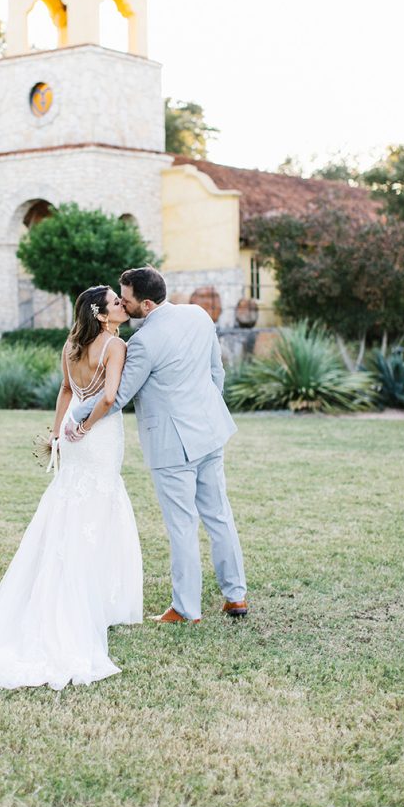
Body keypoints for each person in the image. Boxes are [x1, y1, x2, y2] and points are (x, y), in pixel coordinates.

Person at [0, 286, 142, 691]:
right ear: (102, 315)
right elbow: (109, 398)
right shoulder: (115, 346)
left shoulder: (71, 346)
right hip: (97, 436)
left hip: (72, 434)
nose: (123, 305)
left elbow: (66, 390)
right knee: (98, 509)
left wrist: (58, 433)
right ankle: (89, 602)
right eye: (116, 302)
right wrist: (84, 427)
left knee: (71, 507)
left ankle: (86, 595)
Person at [67, 266, 247, 623]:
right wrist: (205, 410)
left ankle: (186, 608)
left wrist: (77, 414)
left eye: (127, 300)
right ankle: (236, 596)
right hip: (209, 432)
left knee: (182, 525)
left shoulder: (143, 342)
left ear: (146, 304)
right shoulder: (198, 315)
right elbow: (217, 372)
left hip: (171, 444)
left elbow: (117, 396)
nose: (123, 304)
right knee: (219, 515)